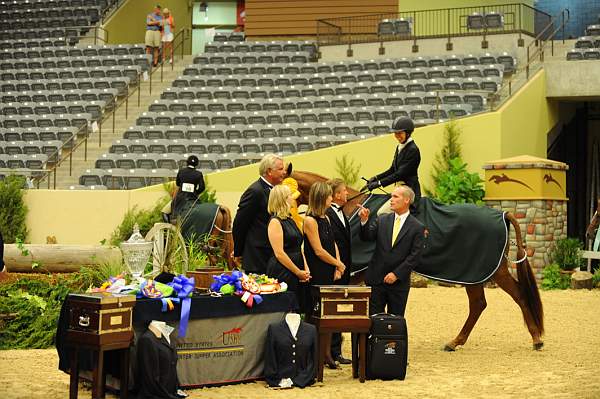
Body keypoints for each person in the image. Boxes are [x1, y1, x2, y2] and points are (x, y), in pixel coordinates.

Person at [358, 185, 425, 317]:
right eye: (391, 196)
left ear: (406, 200)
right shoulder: (382, 219)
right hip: (376, 280)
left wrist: (396, 274)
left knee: (395, 322)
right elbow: (367, 237)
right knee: (374, 320)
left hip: (399, 284)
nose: (391, 200)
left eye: (395, 196)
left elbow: (415, 256)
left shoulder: (417, 227)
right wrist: (364, 221)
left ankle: (393, 339)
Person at [303, 181, 345, 369]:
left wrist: (337, 265)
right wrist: (337, 263)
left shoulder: (326, 218)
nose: (331, 198)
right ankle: (314, 354)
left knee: (328, 314)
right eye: (329, 195)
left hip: (329, 270)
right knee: (315, 314)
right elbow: (318, 250)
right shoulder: (310, 220)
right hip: (318, 271)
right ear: (321, 197)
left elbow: (332, 243)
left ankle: (327, 353)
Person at [232, 154, 286, 274]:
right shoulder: (255, 191)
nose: (285, 172)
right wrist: (238, 252)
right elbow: (240, 223)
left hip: (271, 255)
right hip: (258, 258)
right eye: (281, 169)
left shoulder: (274, 190)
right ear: (269, 171)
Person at [363, 117, 421, 212]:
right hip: (400, 190)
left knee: (382, 213)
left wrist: (378, 184)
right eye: (395, 133)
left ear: (408, 133)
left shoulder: (413, 150)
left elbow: (400, 174)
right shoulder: (400, 147)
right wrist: (376, 177)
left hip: (408, 191)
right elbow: (392, 170)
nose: (397, 136)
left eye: (400, 133)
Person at [266, 185, 311, 308]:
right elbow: (279, 253)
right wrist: (297, 272)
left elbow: (299, 246)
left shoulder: (289, 219)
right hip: (284, 270)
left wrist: (306, 268)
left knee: (299, 307)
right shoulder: (275, 222)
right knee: (285, 306)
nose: (293, 198)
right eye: (290, 195)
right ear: (283, 199)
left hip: (298, 268)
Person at [325, 178, 352, 365]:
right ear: (335, 195)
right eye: (344, 191)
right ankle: (330, 352)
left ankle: (336, 350)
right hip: (334, 269)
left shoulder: (343, 214)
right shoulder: (327, 214)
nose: (347, 193)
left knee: (339, 310)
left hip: (344, 268)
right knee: (332, 310)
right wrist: (337, 265)